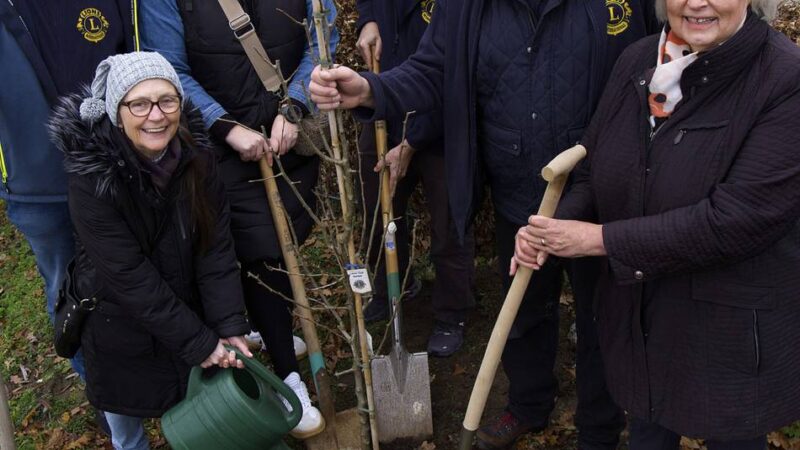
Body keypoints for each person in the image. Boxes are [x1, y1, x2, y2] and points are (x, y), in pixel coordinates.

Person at [310, 0, 660, 448]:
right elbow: (435, 69)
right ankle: (529, 404)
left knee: (601, 317)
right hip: (517, 189)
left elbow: (654, 69)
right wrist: (371, 90)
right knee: (525, 309)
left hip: (601, 197)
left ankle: (600, 427)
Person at [512, 0, 800, 447]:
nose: (697, 3)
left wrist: (600, 240)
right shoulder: (640, 58)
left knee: (734, 438)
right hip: (644, 309)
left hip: (732, 323)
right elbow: (595, 166)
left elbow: (738, 220)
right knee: (647, 428)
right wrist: (552, 230)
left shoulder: (785, 78)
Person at [140, 0, 339, 438]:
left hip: (289, 140)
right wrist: (225, 126)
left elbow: (323, 37)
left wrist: (296, 106)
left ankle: (266, 327)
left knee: (285, 242)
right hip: (219, 151)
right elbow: (169, 69)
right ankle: (289, 377)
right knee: (262, 252)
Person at [48, 51, 254, 450]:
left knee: (195, 418)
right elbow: (128, 276)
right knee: (127, 425)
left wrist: (228, 326)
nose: (156, 115)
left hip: (183, 312)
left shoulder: (199, 160)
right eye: (139, 104)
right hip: (116, 322)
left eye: (167, 100)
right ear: (115, 111)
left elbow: (215, 249)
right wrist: (200, 342)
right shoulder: (90, 178)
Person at [0, 0, 138, 381]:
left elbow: (137, 55)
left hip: (123, 164)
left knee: (143, 269)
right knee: (70, 294)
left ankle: (160, 381)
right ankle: (110, 405)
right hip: (36, 185)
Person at [354, 0, 476, 356]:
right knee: (378, 208)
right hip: (386, 103)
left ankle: (452, 311)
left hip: (444, 117)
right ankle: (391, 288)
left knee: (449, 220)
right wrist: (368, 20)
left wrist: (412, 140)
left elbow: (453, 70)